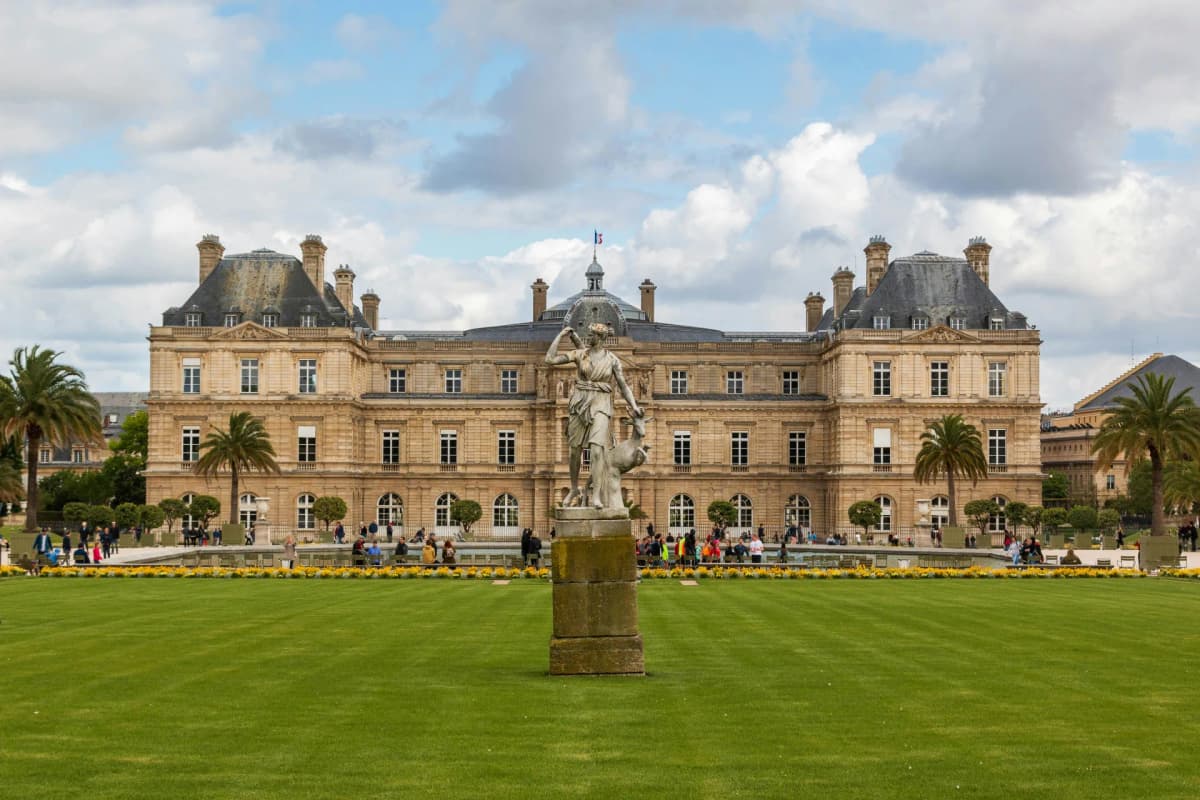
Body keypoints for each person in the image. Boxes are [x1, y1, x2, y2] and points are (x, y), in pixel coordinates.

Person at [544, 322, 643, 509]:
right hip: (580, 403)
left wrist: (635, 406)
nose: (590, 338)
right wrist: (561, 335)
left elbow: (623, 385)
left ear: (601, 338)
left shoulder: (613, 359)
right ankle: (574, 488)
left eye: (593, 335)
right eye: (589, 335)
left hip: (602, 403)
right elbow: (550, 359)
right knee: (574, 451)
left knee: (597, 450)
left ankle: (596, 495)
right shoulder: (580, 354)